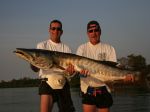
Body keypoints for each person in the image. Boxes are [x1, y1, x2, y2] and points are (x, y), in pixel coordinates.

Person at [76, 20, 134, 112]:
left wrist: (124, 78)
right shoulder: (81, 49)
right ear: (87, 33)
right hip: (87, 90)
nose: (94, 33)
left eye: (96, 30)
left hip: (104, 90)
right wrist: (81, 74)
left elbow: (114, 71)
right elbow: (79, 73)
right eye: (91, 31)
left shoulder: (109, 48)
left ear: (100, 31)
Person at [30, 19, 75, 112]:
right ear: (49, 30)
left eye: (58, 29)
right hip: (47, 82)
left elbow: (70, 74)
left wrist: (71, 72)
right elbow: (35, 69)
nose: (55, 31)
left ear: (61, 32)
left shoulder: (66, 48)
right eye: (53, 28)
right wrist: (32, 62)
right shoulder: (41, 45)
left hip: (63, 82)